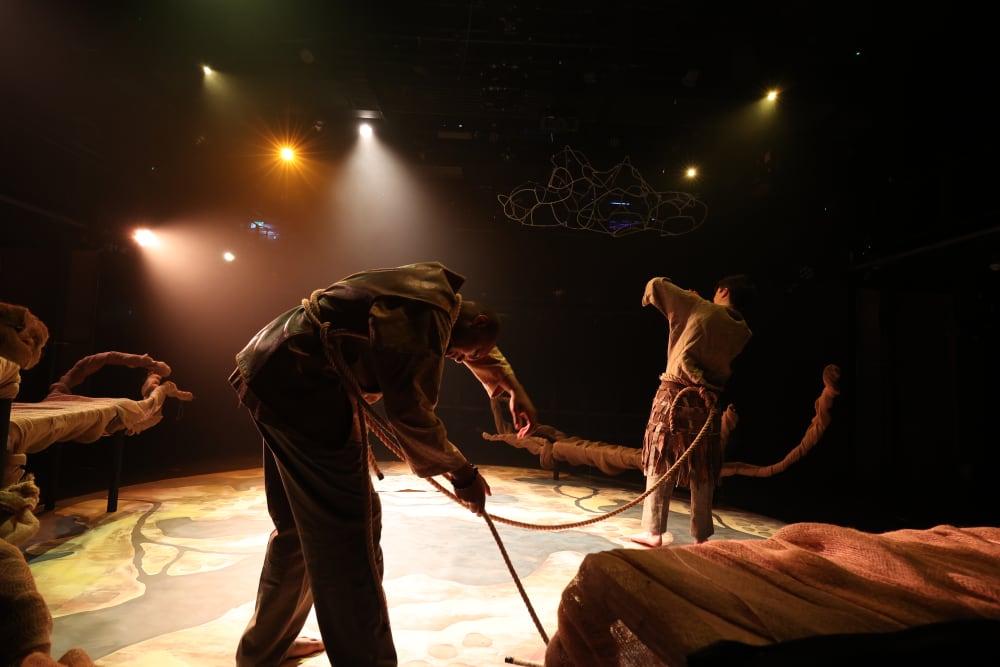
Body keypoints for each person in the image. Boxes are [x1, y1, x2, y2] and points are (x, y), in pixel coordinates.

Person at [229, 261, 537, 666]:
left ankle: (265, 648)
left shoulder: (431, 296)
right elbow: (412, 416)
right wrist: (463, 473)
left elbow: (473, 343)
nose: (463, 360)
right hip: (304, 388)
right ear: (473, 321)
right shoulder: (424, 313)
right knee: (350, 533)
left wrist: (509, 383)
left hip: (274, 373)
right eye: (469, 353)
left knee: (297, 530)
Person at [629, 273, 755, 547]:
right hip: (708, 401)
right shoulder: (743, 331)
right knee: (703, 468)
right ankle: (701, 535)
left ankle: (652, 531)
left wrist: (689, 297)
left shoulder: (700, 307)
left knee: (660, 460)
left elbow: (656, 284)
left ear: (722, 291)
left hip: (675, 394)